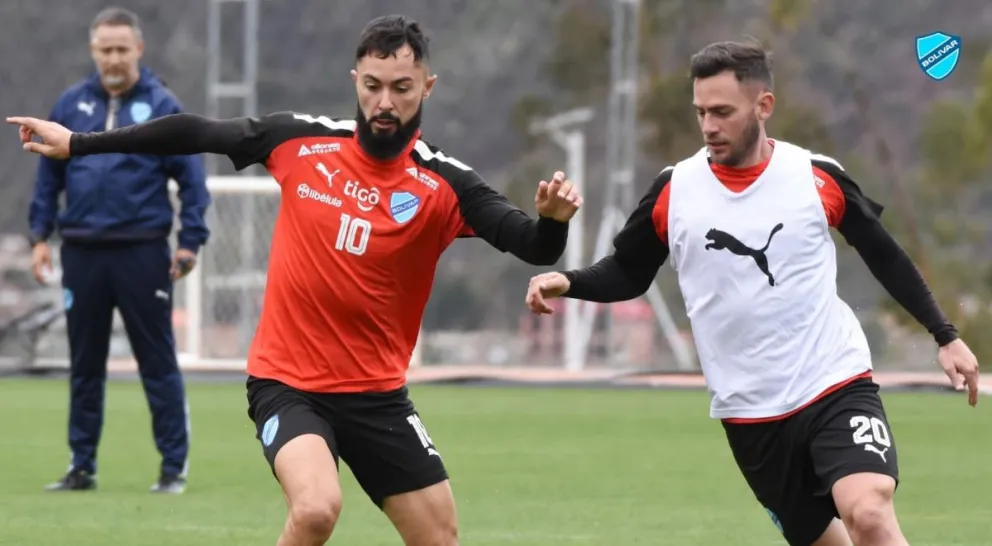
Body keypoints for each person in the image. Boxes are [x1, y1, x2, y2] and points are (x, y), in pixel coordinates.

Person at [11, 13, 580, 546]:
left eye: (401, 88)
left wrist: (553, 224)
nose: (385, 102)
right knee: (314, 509)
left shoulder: (445, 184)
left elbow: (531, 244)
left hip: (378, 397)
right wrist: (80, 144)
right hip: (289, 383)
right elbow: (196, 132)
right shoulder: (300, 141)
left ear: (427, 87)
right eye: (373, 85)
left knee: (440, 537)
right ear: (356, 79)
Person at [525, 41, 980, 546]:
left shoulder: (815, 176)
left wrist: (945, 334)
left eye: (722, 112)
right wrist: (570, 281)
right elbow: (629, 274)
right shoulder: (674, 189)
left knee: (869, 514)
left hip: (834, 381)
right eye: (700, 112)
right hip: (749, 411)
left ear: (763, 106)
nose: (708, 126)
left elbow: (885, 256)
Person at [26, 6, 209, 495]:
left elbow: (192, 181)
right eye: (105, 49)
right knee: (85, 365)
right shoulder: (69, 105)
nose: (113, 58)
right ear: (93, 50)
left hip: (142, 253)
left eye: (121, 49)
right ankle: (80, 466)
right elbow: (49, 177)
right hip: (82, 253)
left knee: (157, 361)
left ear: (138, 50)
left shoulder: (164, 105)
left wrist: (190, 241)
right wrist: (40, 237)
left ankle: (173, 469)